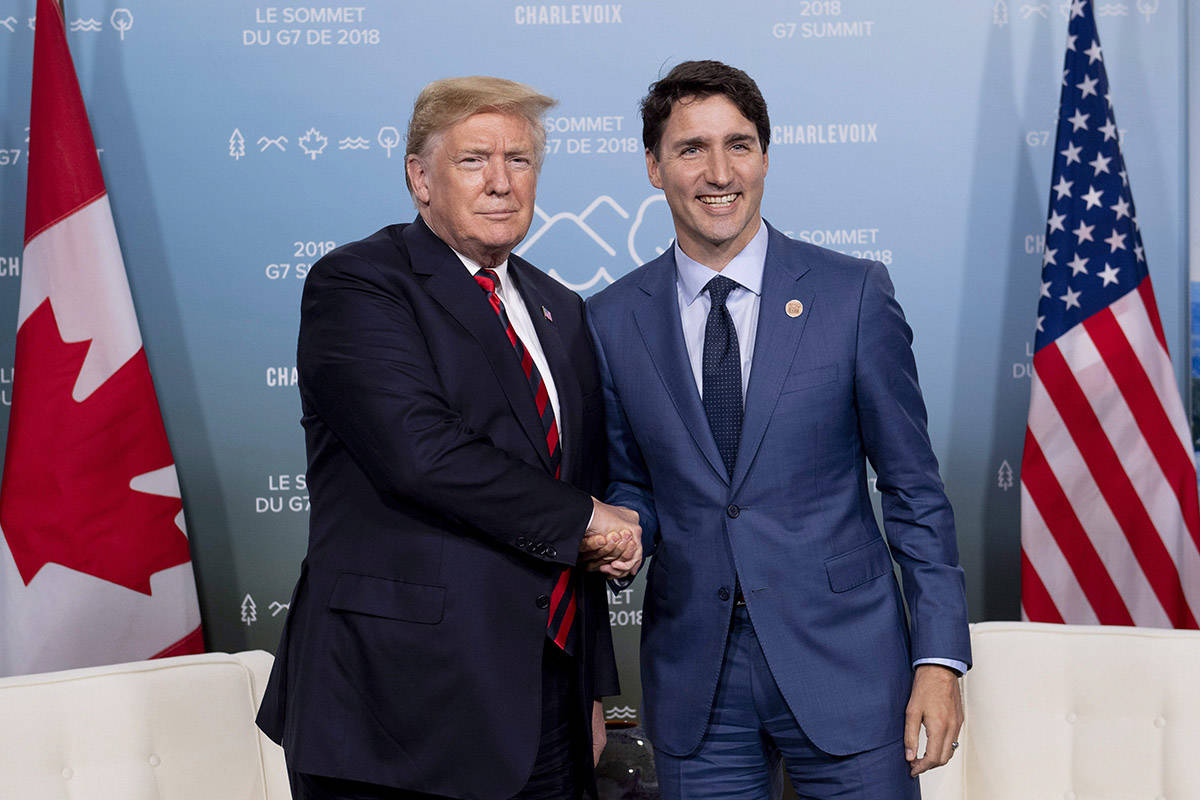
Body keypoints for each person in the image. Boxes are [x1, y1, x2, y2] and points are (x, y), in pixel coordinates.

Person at [585, 60, 971, 799]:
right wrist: (622, 530)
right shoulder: (610, 320)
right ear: (653, 166)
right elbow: (635, 481)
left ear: (765, 157)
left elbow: (915, 489)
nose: (718, 171)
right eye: (691, 148)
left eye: (740, 144)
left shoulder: (852, 294)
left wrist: (940, 660)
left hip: (851, 670)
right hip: (698, 682)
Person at [256, 75, 643, 800]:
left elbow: (574, 487)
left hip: (544, 707)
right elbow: (420, 454)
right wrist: (590, 520)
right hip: (395, 711)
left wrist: (590, 687)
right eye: (473, 161)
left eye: (519, 160)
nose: (501, 182)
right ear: (420, 179)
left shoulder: (561, 308)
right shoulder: (360, 283)